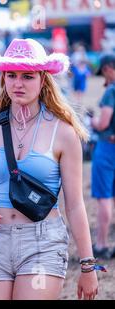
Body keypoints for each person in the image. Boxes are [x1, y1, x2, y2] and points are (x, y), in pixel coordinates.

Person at [0, 38, 99, 300]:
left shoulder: (63, 132)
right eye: (11, 75)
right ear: (3, 78)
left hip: (42, 243)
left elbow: (74, 204)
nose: (18, 83)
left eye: (27, 76)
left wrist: (87, 264)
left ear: (43, 79)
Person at [90, 53, 115, 259]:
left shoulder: (111, 91)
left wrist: (93, 122)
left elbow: (104, 123)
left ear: (108, 68)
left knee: (105, 198)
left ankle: (101, 244)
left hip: (107, 149)